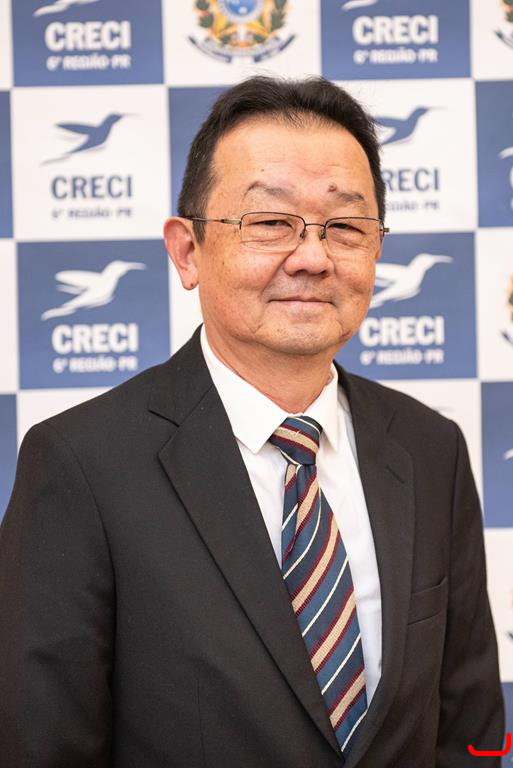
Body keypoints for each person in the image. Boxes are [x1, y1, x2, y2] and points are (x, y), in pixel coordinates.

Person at [0, 76, 504, 767]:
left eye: (345, 227)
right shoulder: (81, 463)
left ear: (376, 249)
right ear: (187, 252)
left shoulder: (428, 447)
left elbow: (469, 723)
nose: (312, 257)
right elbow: (42, 742)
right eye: (269, 223)